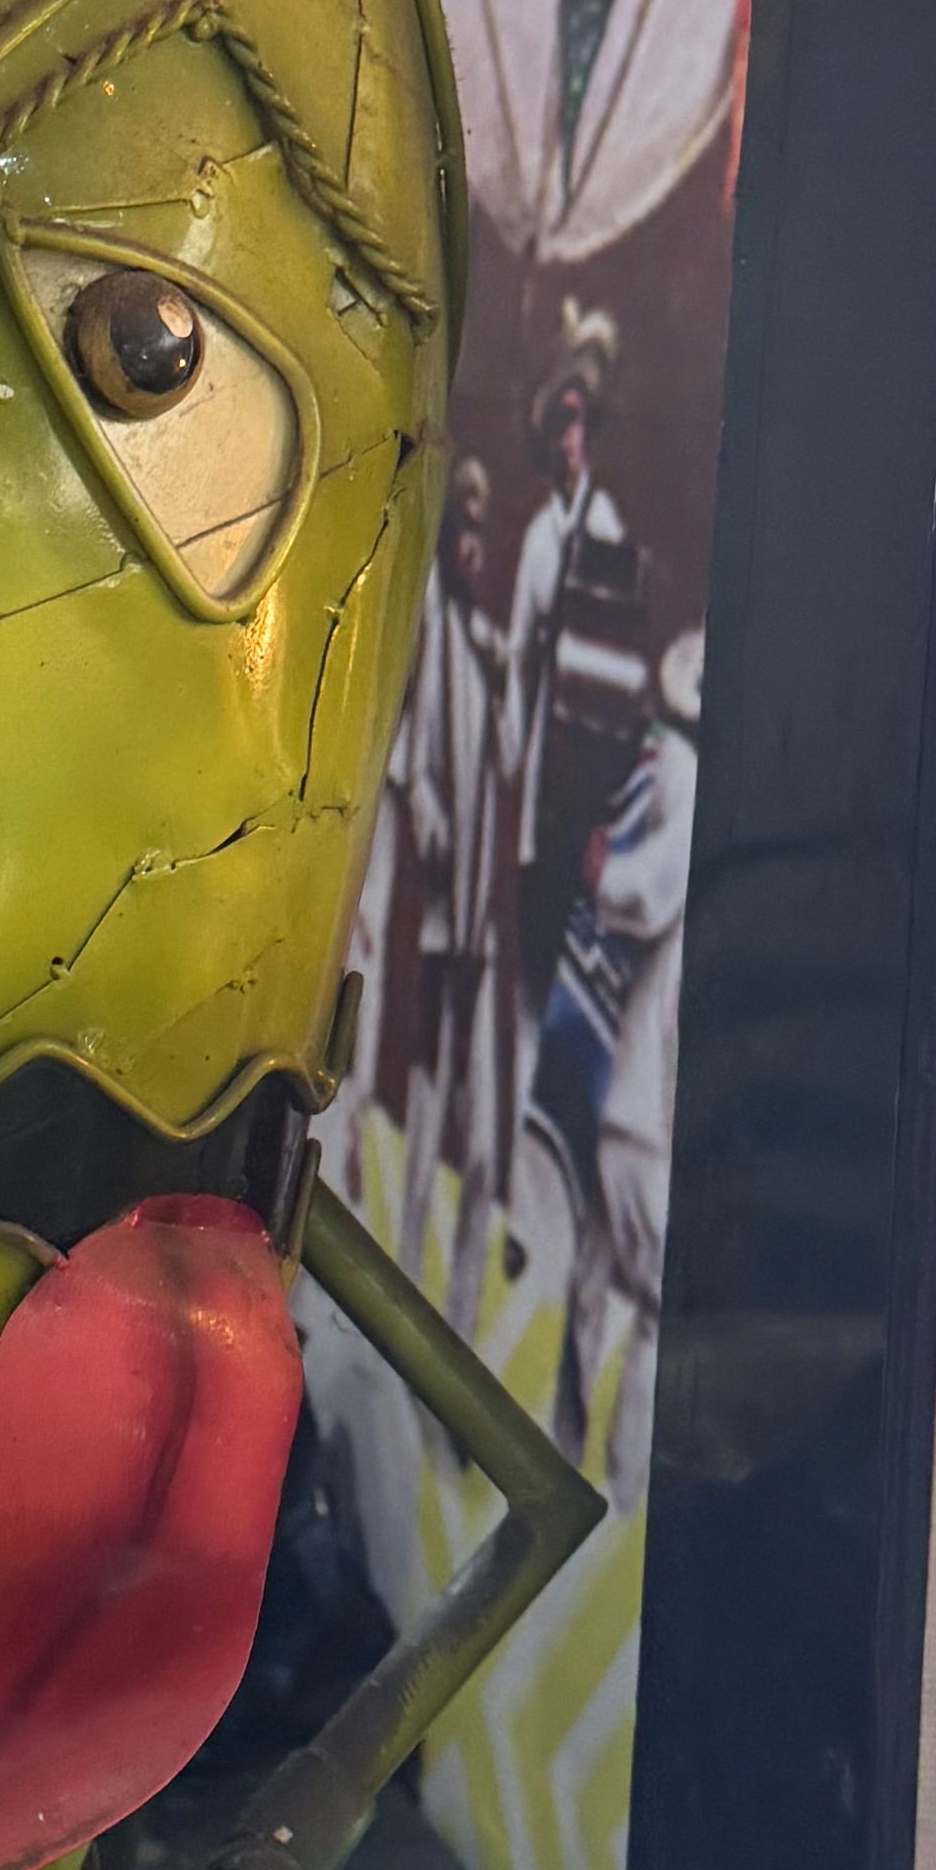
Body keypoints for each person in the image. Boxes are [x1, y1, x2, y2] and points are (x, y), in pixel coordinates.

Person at [524, 625, 701, 1512]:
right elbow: (649, 892)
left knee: (594, 1272)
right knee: (656, 1295)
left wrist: (606, 873)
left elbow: (641, 890)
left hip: (628, 1086)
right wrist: (608, 876)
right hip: (642, 1099)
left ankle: (566, 1450)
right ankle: (625, 1485)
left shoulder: (665, 768)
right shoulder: (685, 775)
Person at [394, 453, 520, 1339]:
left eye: (482, 532)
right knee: (426, 1101)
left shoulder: (480, 643)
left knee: (474, 1126)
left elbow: (506, 759)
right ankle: (402, 1278)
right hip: (439, 919)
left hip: (480, 925)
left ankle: (458, 1315)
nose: (474, 546)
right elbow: (414, 764)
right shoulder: (434, 624)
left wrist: (506, 677)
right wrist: (433, 824)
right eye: (463, 528)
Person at [506, 301, 647, 1006]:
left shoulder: (605, 521)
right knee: (536, 891)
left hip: (588, 742)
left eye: (578, 422)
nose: (569, 437)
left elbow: (615, 648)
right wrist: (512, 745)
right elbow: (517, 652)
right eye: (559, 423)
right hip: (544, 738)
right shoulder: (539, 535)